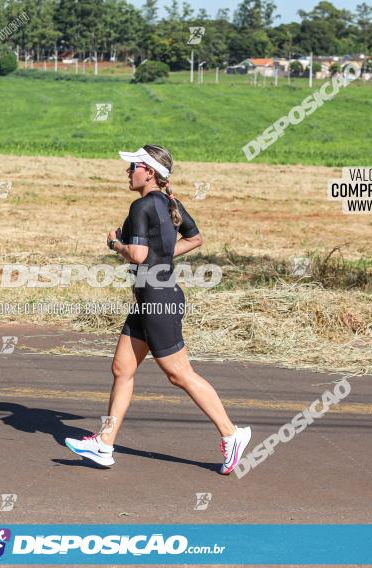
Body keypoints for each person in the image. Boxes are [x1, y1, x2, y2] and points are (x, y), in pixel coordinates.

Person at [65, 145, 251, 475]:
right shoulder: (169, 202)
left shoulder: (141, 205)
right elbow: (195, 239)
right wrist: (161, 257)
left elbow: (136, 255)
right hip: (151, 299)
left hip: (158, 301)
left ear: (149, 172)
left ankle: (231, 433)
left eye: (133, 166)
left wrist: (114, 244)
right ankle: (105, 444)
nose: (127, 171)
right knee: (122, 368)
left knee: (179, 374)